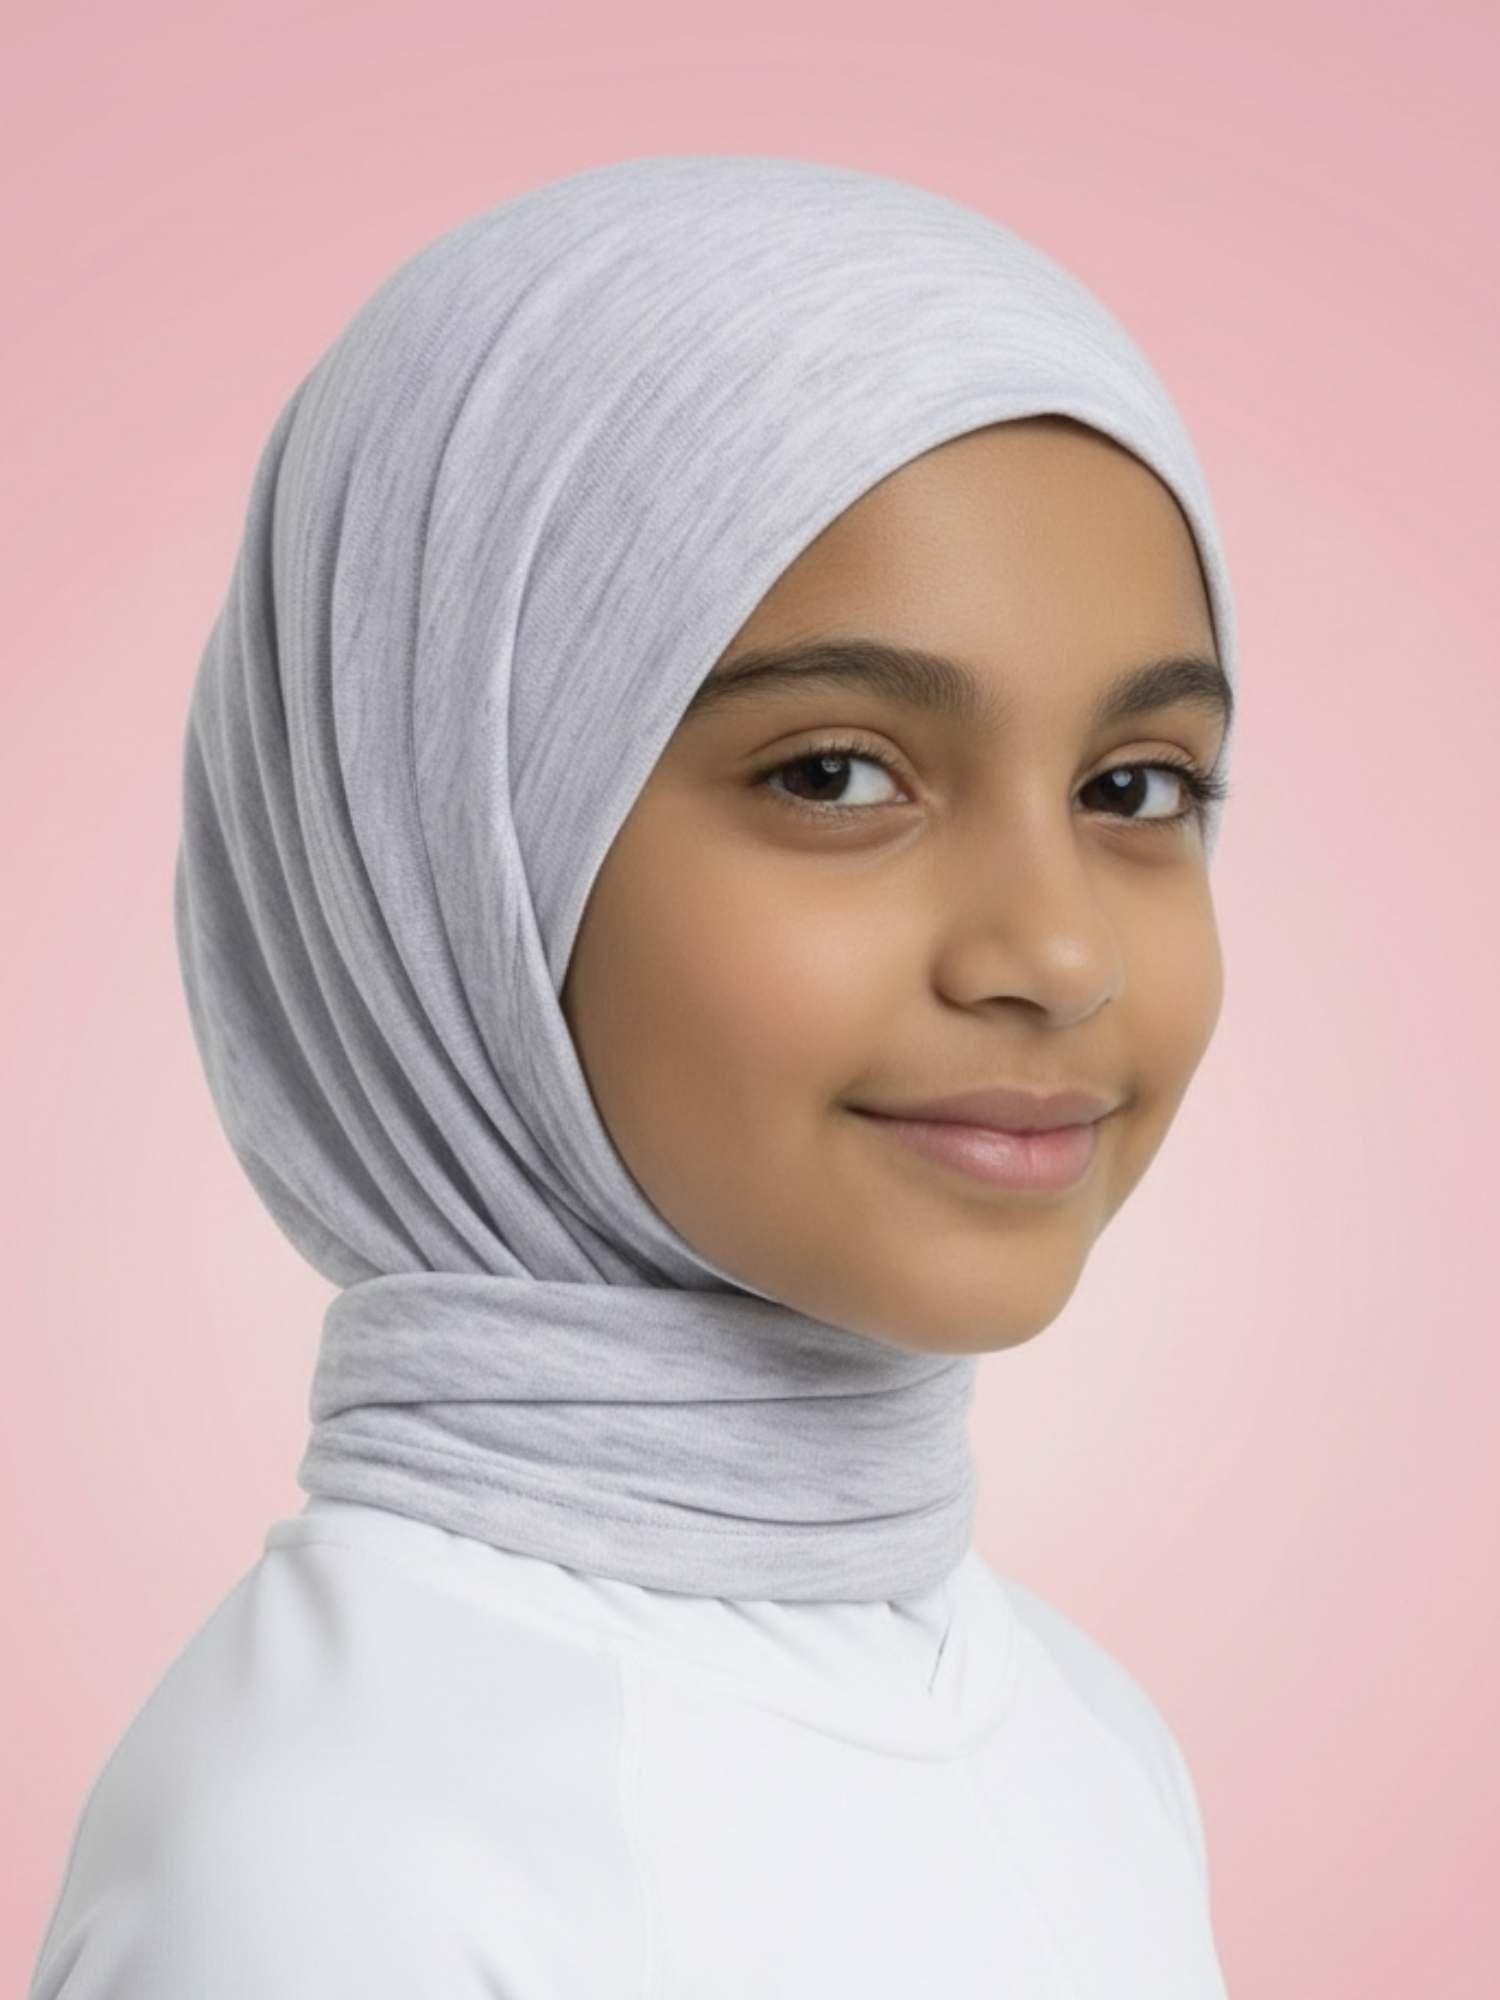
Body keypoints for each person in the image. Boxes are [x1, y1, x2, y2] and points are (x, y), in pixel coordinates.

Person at [28, 153, 1239, 1997]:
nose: (1058, 955)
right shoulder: (338, 1878)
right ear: (447, 838)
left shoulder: (1083, 1731)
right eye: (836, 775)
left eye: (1134, 787)